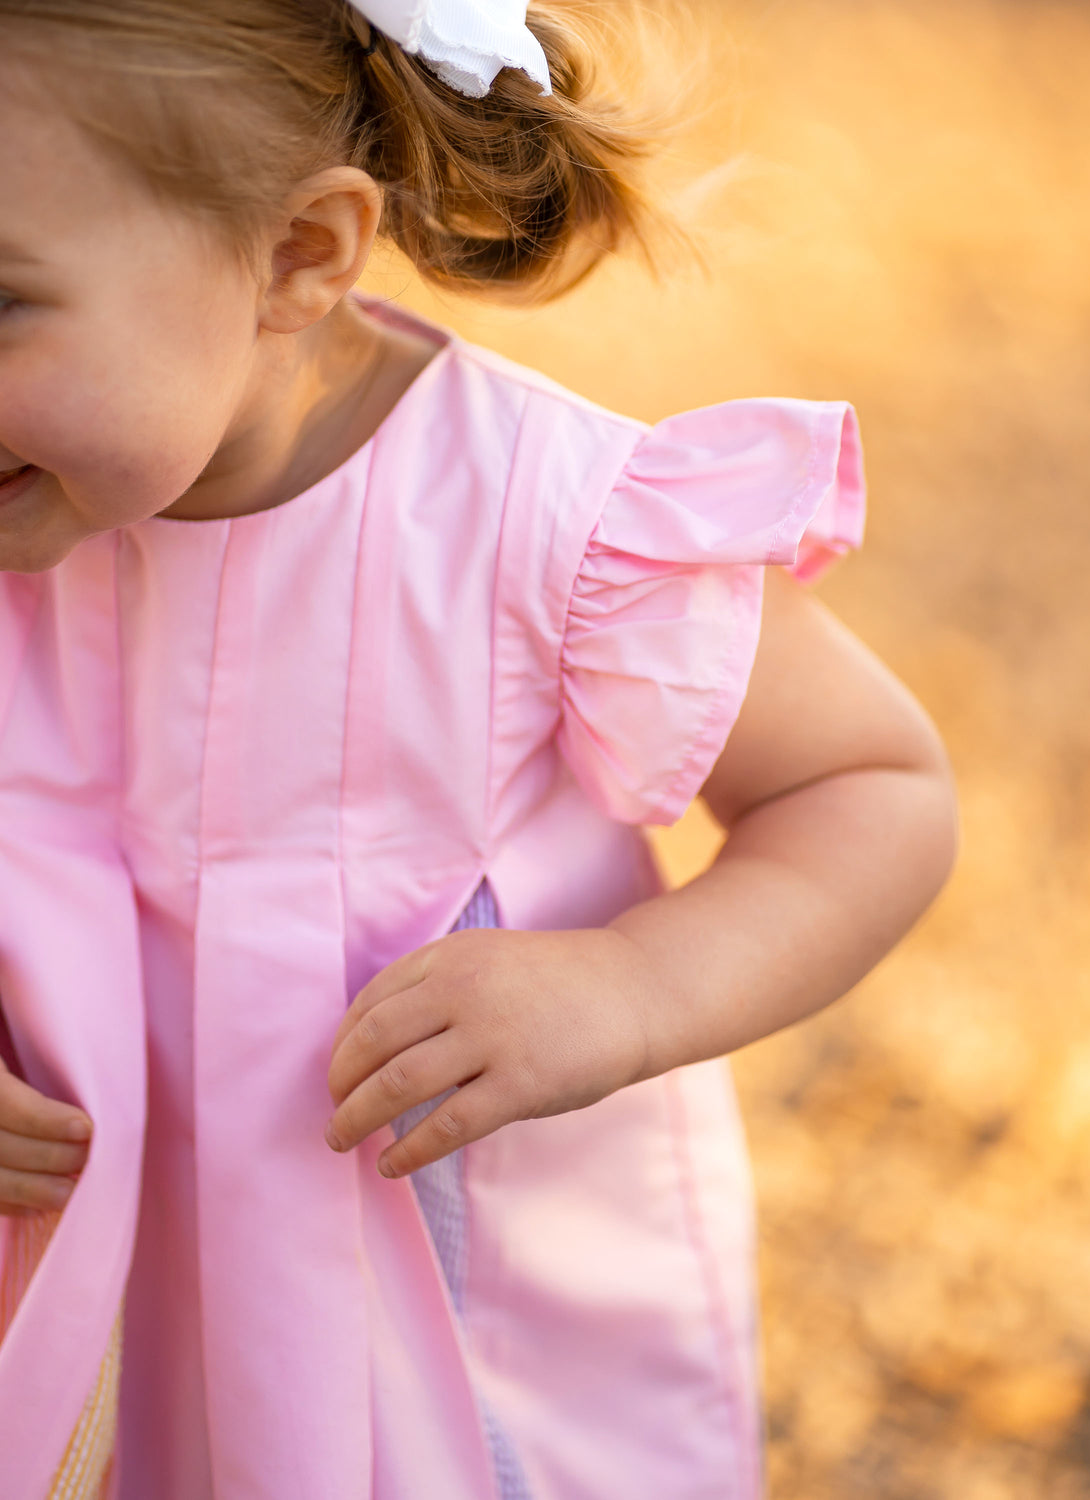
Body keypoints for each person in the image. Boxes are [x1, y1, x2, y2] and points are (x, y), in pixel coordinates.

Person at [0, 2, 957, 1497]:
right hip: (76, 1332)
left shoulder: (541, 526)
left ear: (300, 256)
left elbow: (871, 790)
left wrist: (636, 988)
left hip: (436, 1348)